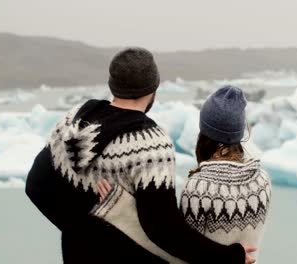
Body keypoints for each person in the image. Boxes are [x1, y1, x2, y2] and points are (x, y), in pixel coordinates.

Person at [25, 47, 255, 264]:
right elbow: (165, 230)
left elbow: (35, 186)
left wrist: (83, 228)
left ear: (113, 84)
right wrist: (229, 257)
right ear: (153, 87)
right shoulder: (150, 143)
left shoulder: (76, 118)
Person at [99, 85, 272, 262]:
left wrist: (121, 211)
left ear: (204, 131)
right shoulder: (262, 179)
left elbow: (180, 254)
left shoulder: (200, 187)